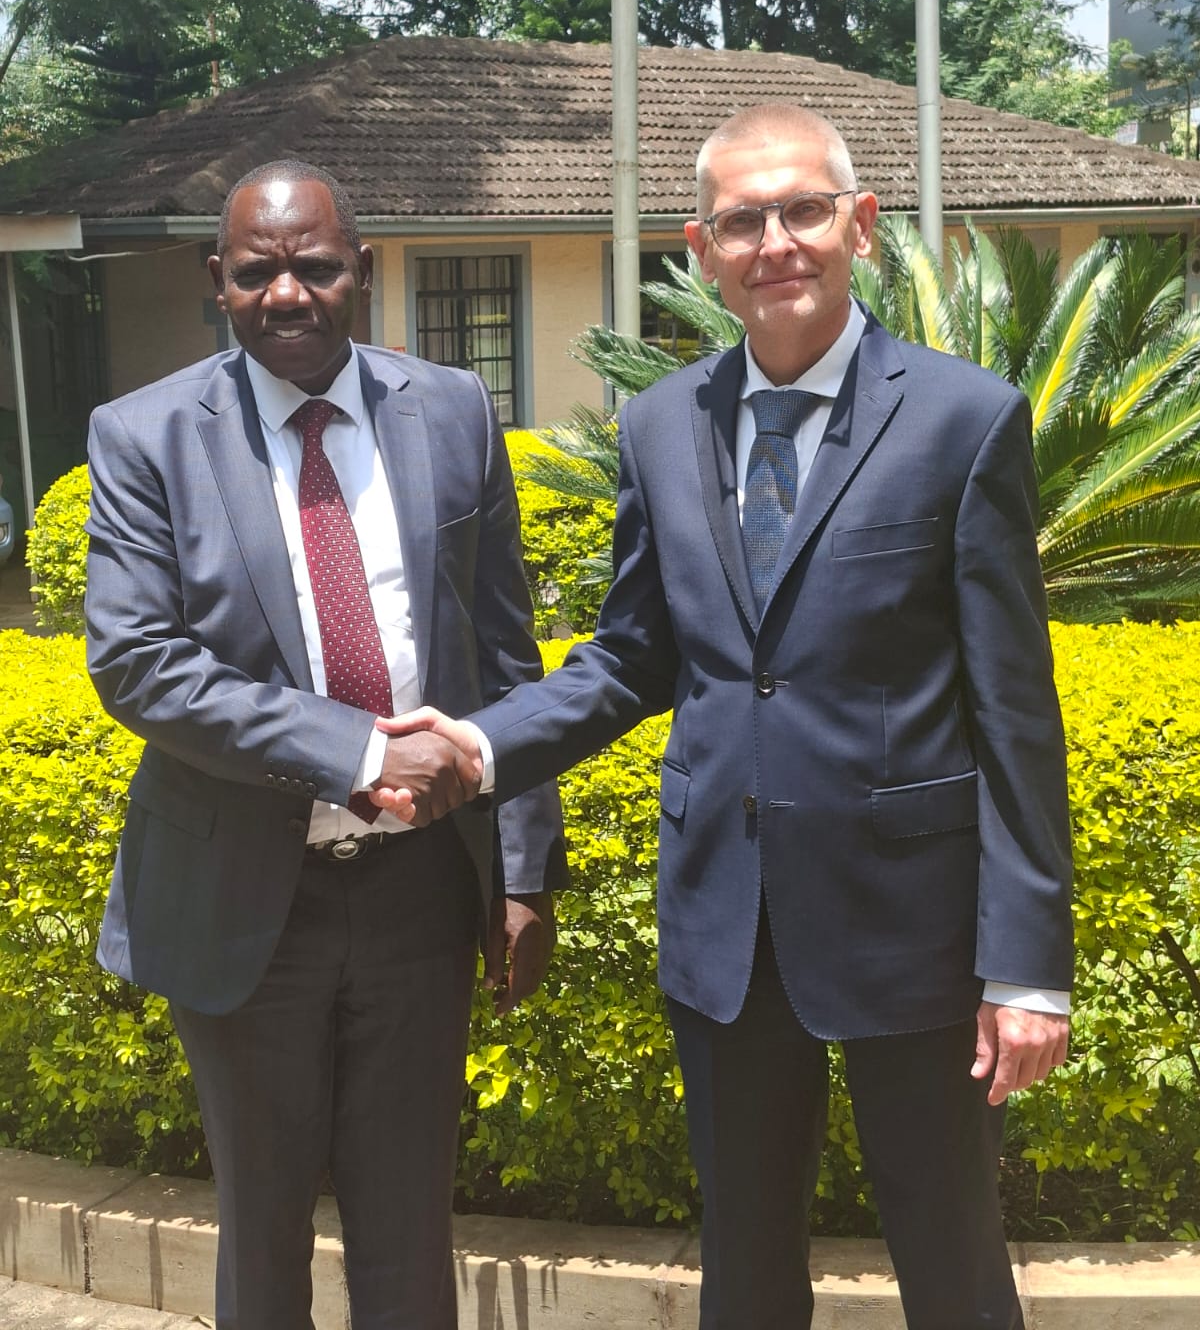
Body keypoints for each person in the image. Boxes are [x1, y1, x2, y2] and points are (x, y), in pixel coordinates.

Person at [381, 107, 1074, 1330]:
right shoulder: (660, 425)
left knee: (954, 1262)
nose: (776, 243)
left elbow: (1015, 711)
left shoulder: (964, 419)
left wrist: (1027, 966)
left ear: (861, 224)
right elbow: (631, 656)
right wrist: (483, 744)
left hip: (912, 928)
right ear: (701, 251)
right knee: (744, 1269)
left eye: (804, 209)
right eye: (743, 222)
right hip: (726, 921)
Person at [84, 161, 567, 1330]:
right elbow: (137, 661)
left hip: (419, 895)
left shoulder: (452, 410)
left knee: (410, 1228)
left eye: (314, 265)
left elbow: (505, 658)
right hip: (248, 900)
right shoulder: (145, 435)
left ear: (362, 267)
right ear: (217, 280)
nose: (287, 293)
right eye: (257, 272)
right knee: (263, 1235)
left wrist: (522, 869)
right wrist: (357, 752)